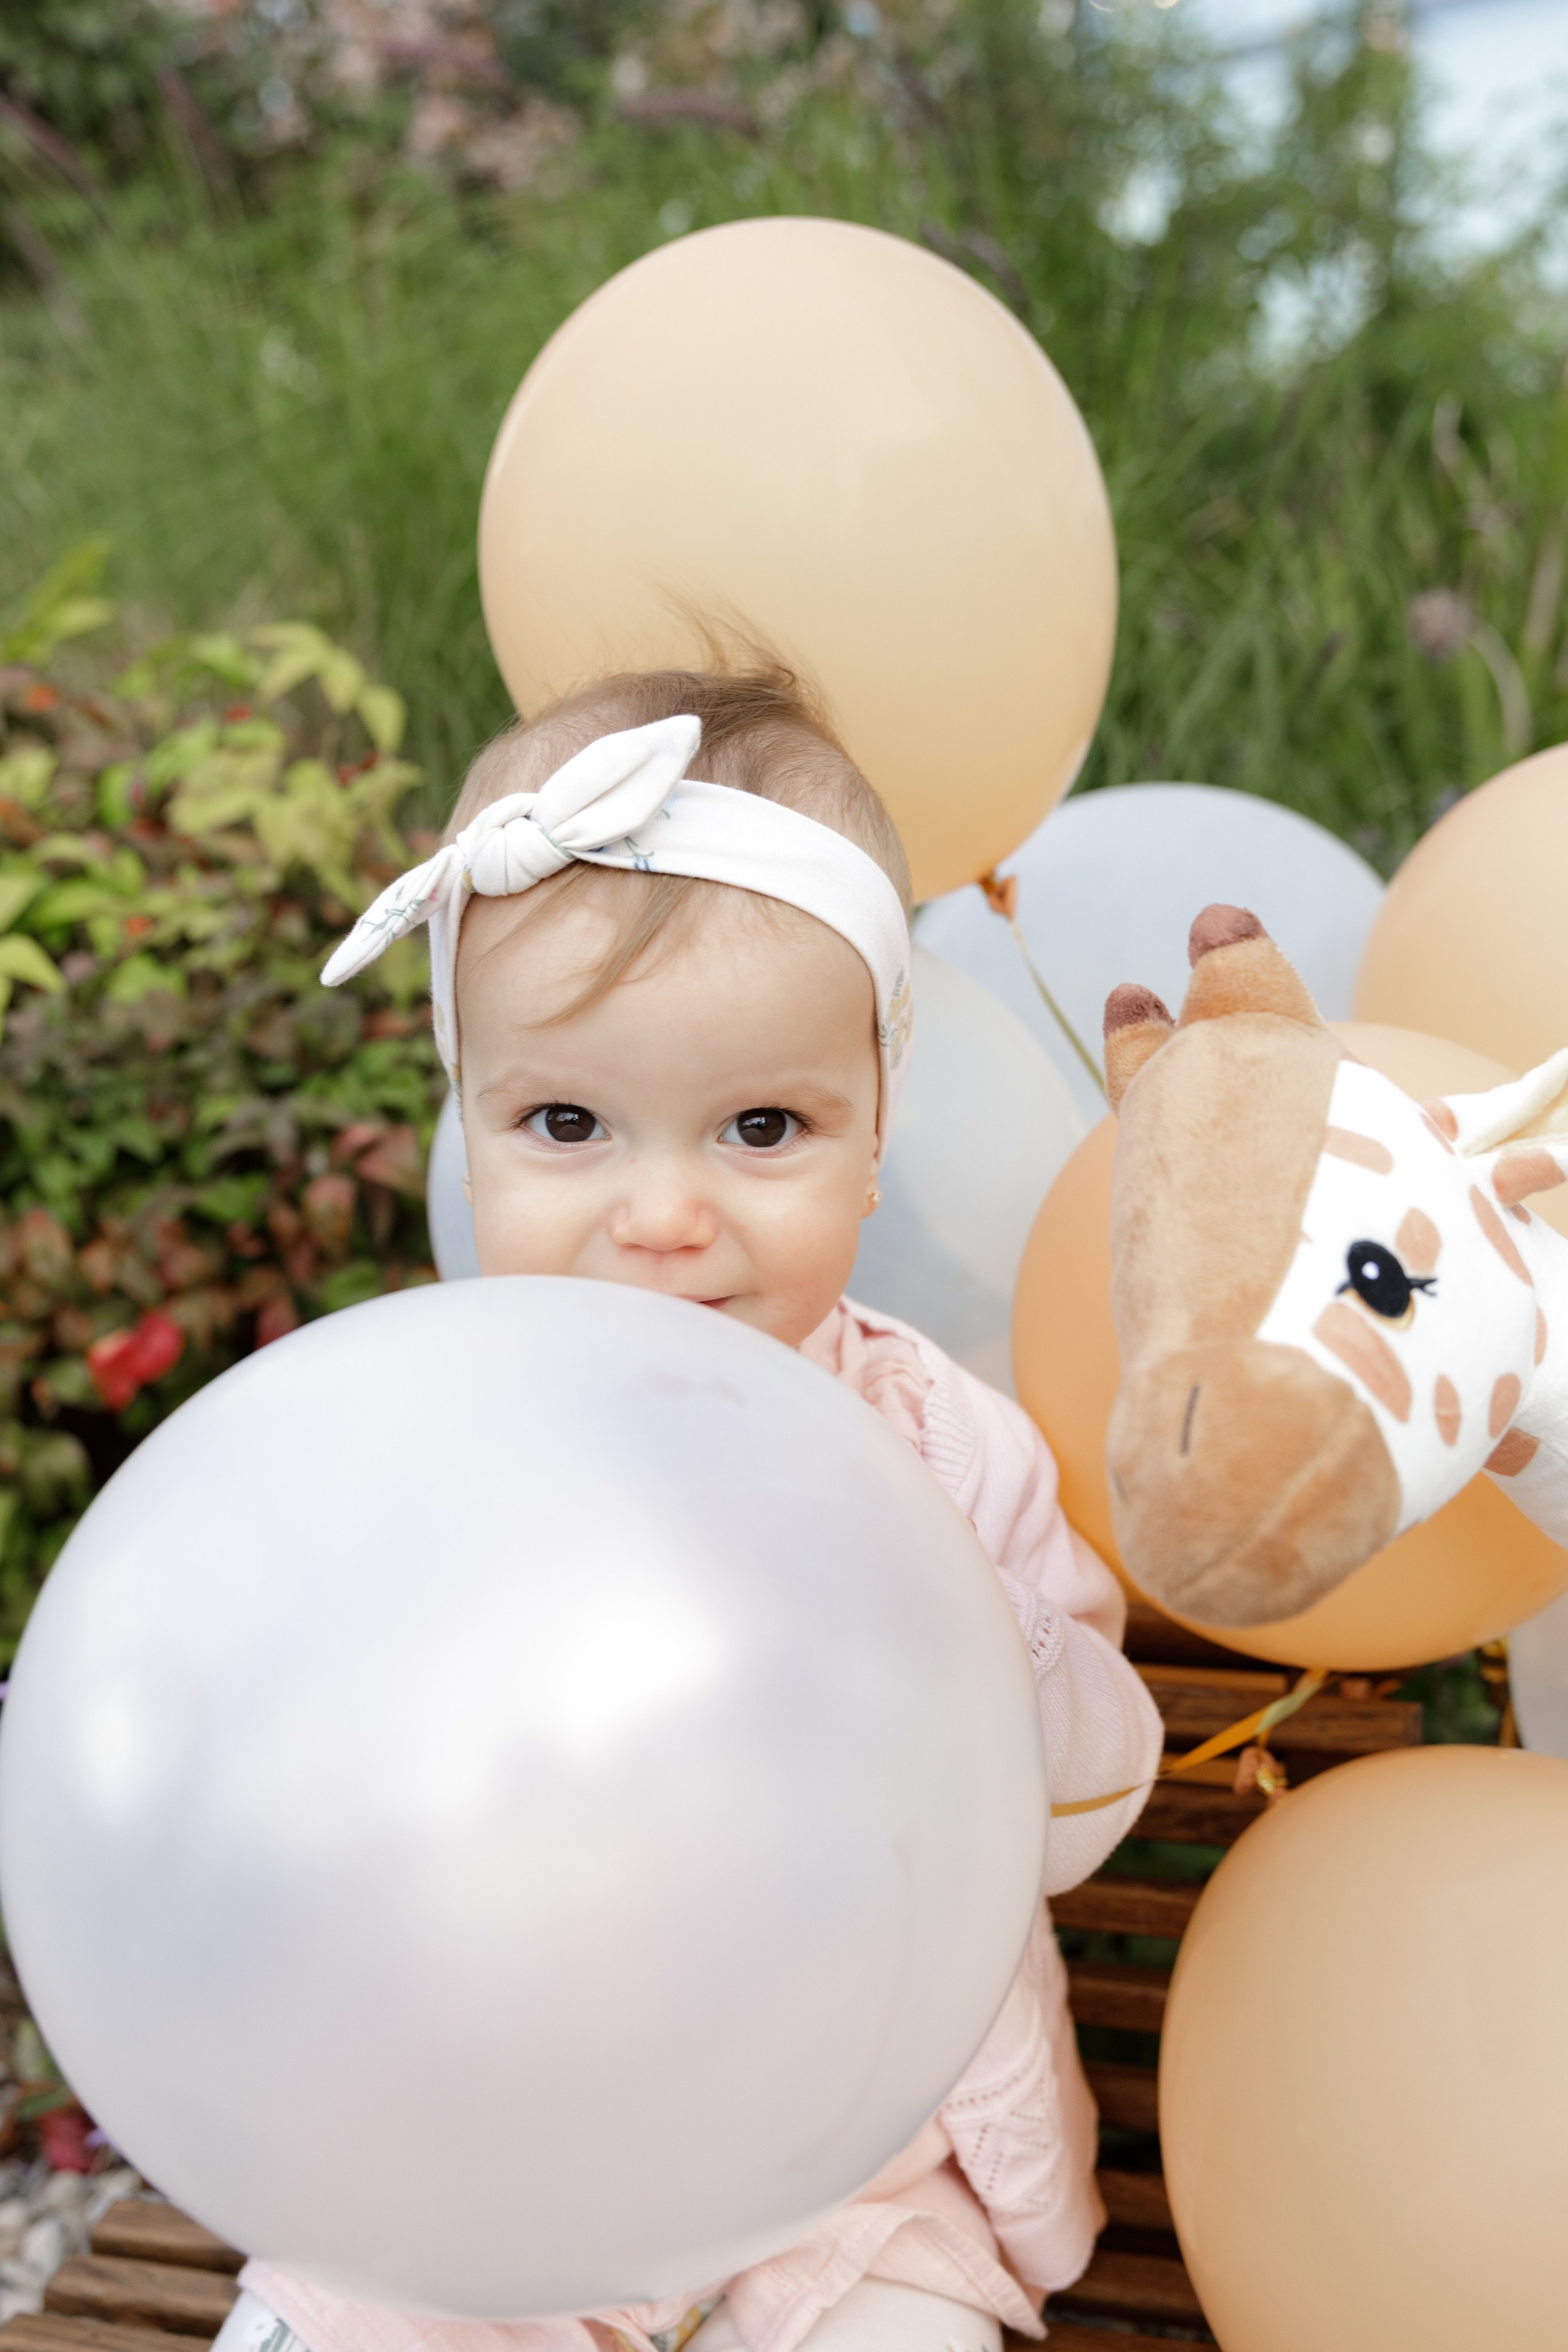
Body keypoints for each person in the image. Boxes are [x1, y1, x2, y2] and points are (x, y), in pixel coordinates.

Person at [220, 666, 1162, 2352]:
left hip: (857, 2168)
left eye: (762, 1127)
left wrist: (955, 1613)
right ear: (471, 1123)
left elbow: (1084, 1808)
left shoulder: (947, 1454)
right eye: (567, 1123)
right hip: (499, 2148)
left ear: (874, 1143)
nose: (664, 1212)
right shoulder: (412, 1446)